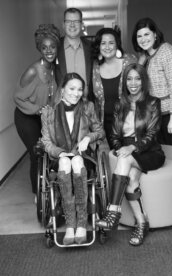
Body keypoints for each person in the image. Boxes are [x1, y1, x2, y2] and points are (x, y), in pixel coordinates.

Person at [96, 63, 165, 246]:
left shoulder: (153, 102)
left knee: (125, 160)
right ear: (124, 81)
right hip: (127, 154)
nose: (133, 83)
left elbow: (152, 135)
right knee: (131, 181)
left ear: (143, 81)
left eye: (137, 78)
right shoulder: (120, 104)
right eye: (129, 78)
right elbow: (114, 135)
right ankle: (142, 224)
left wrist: (131, 148)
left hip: (149, 152)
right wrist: (119, 148)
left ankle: (112, 212)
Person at [132, 17, 172, 201]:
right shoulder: (147, 56)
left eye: (147, 34)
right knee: (166, 155)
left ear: (155, 34)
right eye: (139, 36)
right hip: (158, 114)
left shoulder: (167, 51)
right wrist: (141, 62)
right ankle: (171, 198)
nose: (143, 39)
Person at [41, 73, 105, 245]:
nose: (76, 93)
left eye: (80, 89)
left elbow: (100, 131)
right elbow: (46, 142)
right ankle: (71, 224)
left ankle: (82, 223)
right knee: (65, 161)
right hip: (59, 158)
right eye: (72, 88)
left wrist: (87, 138)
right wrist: (60, 152)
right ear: (62, 90)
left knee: (76, 161)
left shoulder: (88, 107)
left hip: (83, 157)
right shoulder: (48, 112)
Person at [14, 24, 61, 196]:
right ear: (39, 49)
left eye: (52, 47)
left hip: (44, 117)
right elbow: (18, 97)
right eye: (44, 47)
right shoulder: (33, 70)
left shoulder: (54, 68)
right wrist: (38, 109)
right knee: (37, 154)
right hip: (26, 117)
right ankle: (38, 194)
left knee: (50, 151)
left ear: (57, 48)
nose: (49, 51)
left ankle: (47, 186)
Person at [91, 27, 137, 147]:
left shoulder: (129, 61)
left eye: (111, 43)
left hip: (129, 120)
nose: (107, 47)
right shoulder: (95, 66)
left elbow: (141, 86)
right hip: (106, 122)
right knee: (114, 158)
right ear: (98, 46)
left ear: (117, 44)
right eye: (103, 43)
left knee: (131, 157)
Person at [56, 7, 93, 99]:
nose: (72, 25)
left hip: (87, 104)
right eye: (68, 21)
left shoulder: (92, 47)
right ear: (63, 24)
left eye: (76, 21)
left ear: (81, 24)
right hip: (62, 106)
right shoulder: (55, 47)